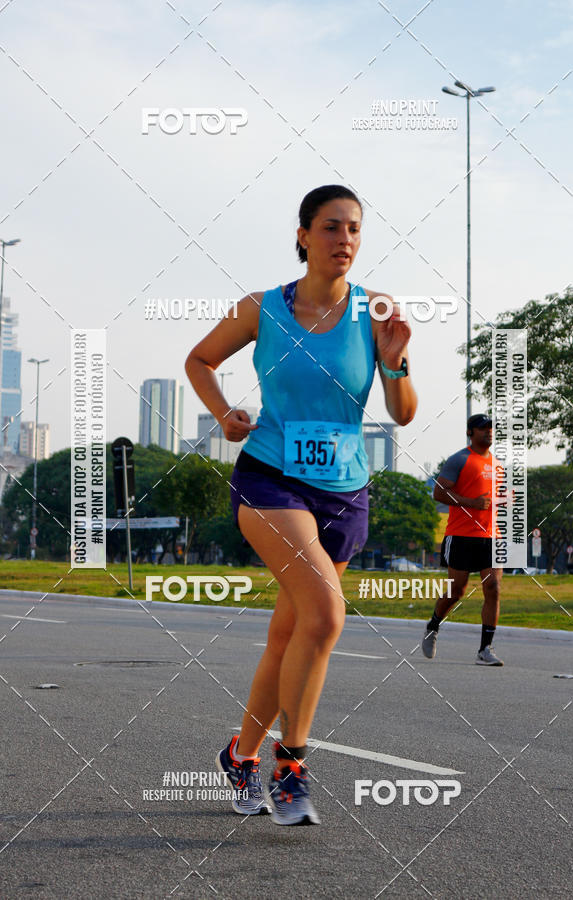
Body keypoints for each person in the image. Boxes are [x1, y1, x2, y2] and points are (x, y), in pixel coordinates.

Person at [185, 184, 417, 825]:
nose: (346, 239)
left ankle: (240, 755)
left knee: (291, 633)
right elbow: (200, 360)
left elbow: (401, 413)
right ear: (304, 235)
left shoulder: (377, 312)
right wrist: (223, 413)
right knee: (326, 614)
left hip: (344, 489)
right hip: (271, 477)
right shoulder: (262, 308)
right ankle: (291, 768)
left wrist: (396, 363)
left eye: (355, 229)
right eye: (332, 227)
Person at [421, 413, 504, 666]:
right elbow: (438, 493)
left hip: (491, 536)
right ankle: (433, 625)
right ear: (470, 432)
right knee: (457, 591)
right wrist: (471, 503)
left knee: (493, 588)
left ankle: (485, 649)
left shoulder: (498, 464)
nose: (488, 432)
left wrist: (505, 500)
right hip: (461, 535)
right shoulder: (459, 459)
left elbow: (494, 498)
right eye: (482, 428)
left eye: (491, 428)